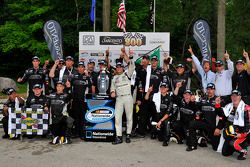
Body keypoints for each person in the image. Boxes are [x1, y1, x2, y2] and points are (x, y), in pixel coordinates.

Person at [187, 83, 223, 151]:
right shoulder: (203, 99)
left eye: (211, 89)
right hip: (203, 123)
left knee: (216, 148)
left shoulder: (218, 100)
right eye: (208, 89)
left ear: (214, 90)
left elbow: (222, 116)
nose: (209, 91)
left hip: (213, 126)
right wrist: (192, 101)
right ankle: (193, 145)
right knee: (192, 124)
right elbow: (195, 108)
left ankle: (209, 138)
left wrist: (218, 128)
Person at [215, 90, 250, 160]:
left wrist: (243, 134)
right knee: (225, 153)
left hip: (244, 133)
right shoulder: (229, 106)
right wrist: (217, 104)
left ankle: (243, 150)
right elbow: (221, 115)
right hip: (232, 133)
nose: (234, 98)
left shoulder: (246, 108)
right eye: (232, 96)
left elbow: (248, 124)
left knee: (233, 144)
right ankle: (235, 146)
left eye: (236, 96)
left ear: (240, 97)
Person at [110, 49, 135, 145]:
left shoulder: (127, 74)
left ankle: (128, 135)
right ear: (116, 68)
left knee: (129, 117)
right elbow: (112, 89)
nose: (119, 68)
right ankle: (119, 136)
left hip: (128, 97)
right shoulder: (114, 78)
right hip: (119, 99)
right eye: (117, 67)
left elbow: (132, 66)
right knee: (118, 118)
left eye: (120, 67)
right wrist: (112, 92)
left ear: (123, 68)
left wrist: (129, 56)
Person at [66, 61, 93, 139]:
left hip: (83, 101)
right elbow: (68, 86)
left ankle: (82, 133)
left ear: (84, 68)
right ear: (77, 68)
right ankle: (76, 132)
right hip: (75, 100)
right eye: (79, 67)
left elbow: (91, 86)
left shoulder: (87, 77)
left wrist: (87, 76)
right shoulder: (73, 76)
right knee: (76, 117)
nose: (81, 68)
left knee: (82, 117)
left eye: (82, 67)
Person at [145, 82, 173, 146]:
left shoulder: (170, 98)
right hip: (157, 116)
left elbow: (168, 113)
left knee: (167, 122)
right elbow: (146, 99)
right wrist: (148, 92)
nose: (162, 88)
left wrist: (160, 121)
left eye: (164, 87)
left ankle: (166, 140)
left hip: (165, 117)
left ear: (167, 89)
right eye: (161, 87)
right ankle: (155, 132)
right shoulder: (155, 95)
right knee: (157, 136)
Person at [172, 82, 198, 147]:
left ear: (191, 96)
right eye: (185, 94)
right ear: (183, 95)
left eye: (188, 95)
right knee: (175, 124)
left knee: (189, 142)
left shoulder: (194, 103)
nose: (186, 96)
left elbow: (198, 113)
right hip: (182, 123)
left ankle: (196, 136)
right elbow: (174, 96)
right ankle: (180, 136)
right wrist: (177, 87)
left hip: (190, 125)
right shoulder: (181, 101)